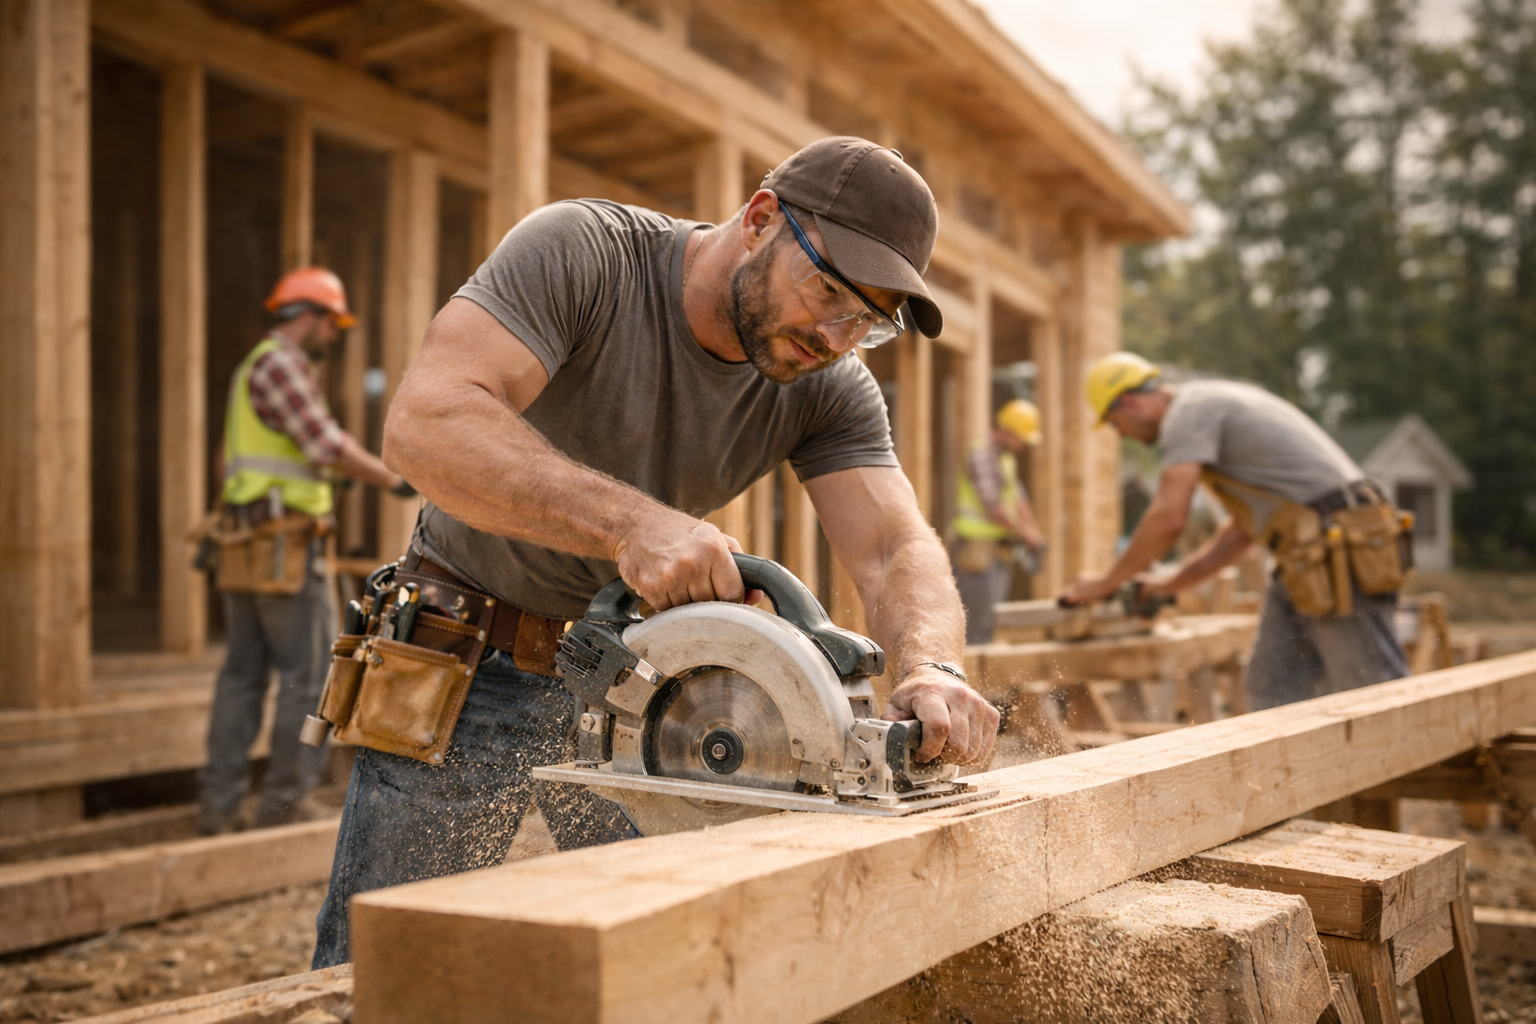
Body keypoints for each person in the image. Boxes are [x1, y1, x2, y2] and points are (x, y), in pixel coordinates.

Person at [311, 137, 1001, 966]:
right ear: (759, 219)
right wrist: (632, 524)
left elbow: (894, 547)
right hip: (466, 654)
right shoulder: (584, 255)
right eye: (827, 291)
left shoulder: (830, 384)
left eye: (868, 321)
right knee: (384, 976)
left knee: (669, 969)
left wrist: (933, 667)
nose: (835, 334)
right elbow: (425, 424)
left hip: (642, 693)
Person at [1058, 352, 1408, 710]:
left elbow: (1168, 516)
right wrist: (1170, 583)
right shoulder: (1208, 406)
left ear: (1129, 401)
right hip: (1305, 552)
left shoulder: (1188, 413)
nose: (1121, 434)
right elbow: (1241, 532)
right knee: (1271, 688)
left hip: (1336, 543)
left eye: (1115, 423)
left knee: (1372, 688)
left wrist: (1106, 583)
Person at [197, 268, 413, 834]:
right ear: (311, 317)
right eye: (333, 324)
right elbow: (324, 444)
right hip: (286, 548)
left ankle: (218, 807)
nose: (335, 336)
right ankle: (284, 804)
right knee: (308, 673)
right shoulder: (283, 364)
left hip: (247, 544)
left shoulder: (252, 368)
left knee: (241, 674)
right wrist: (391, 478)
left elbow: (226, 460)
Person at [951, 399, 1048, 643]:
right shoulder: (980, 455)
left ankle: (982, 674)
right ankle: (967, 675)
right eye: (1021, 437)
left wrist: (1031, 530)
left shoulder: (1006, 458)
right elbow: (993, 507)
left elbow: (1018, 498)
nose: (1023, 444)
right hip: (975, 550)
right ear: (1006, 430)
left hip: (996, 549)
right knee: (973, 622)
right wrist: (1028, 535)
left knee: (989, 620)